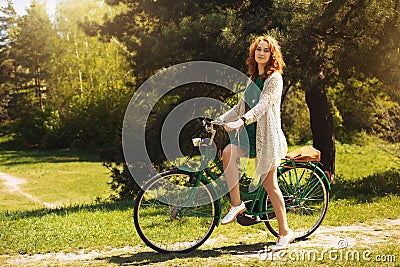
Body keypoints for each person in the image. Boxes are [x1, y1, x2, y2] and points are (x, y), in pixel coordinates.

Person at [217, 35, 294, 252]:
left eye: (266, 50)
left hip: (267, 138)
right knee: (228, 152)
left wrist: (240, 122)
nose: (261, 53)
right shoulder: (253, 78)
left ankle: (285, 232)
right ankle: (237, 204)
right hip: (250, 135)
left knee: (270, 185)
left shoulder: (274, 79)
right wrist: (221, 119)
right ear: (254, 53)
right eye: (258, 49)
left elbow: (262, 106)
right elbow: (242, 106)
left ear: (272, 55)